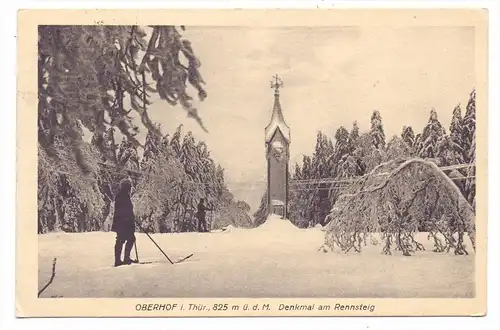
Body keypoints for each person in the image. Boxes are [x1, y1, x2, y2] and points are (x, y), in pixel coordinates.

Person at [111, 177, 138, 267]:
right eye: (129, 187)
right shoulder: (122, 196)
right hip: (124, 223)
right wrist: (129, 218)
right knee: (123, 240)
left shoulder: (122, 195)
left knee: (126, 239)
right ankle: (120, 260)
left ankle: (123, 259)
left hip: (123, 223)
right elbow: (123, 211)